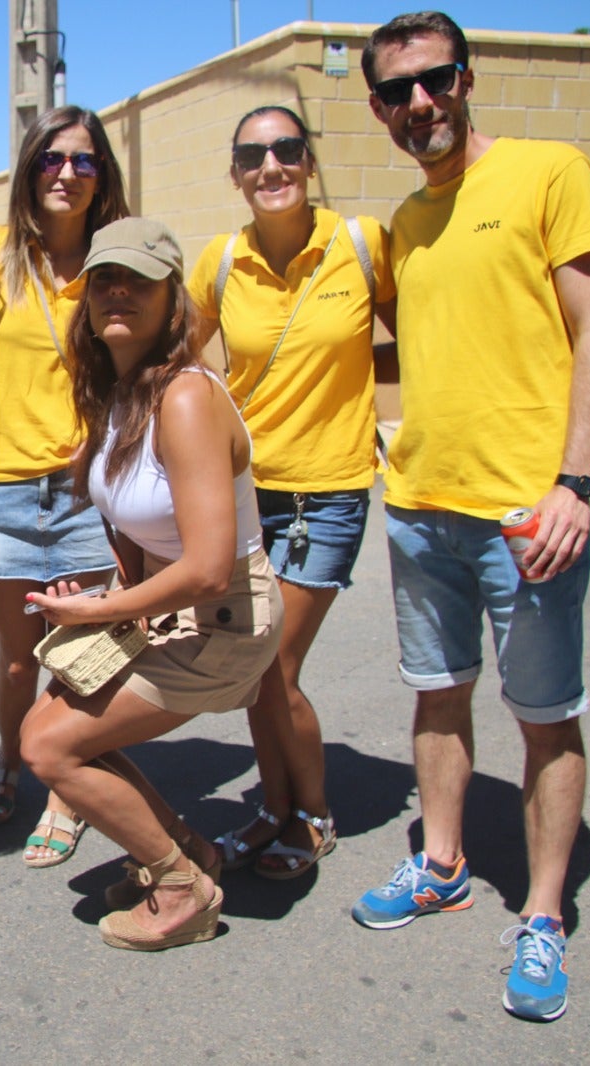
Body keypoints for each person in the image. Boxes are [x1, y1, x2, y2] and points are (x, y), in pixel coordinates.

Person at [351, 12, 590, 1023]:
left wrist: (574, 484)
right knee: (437, 695)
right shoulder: (404, 224)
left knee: (545, 714)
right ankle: (443, 861)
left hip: (525, 513)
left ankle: (543, 914)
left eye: (434, 80)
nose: (418, 104)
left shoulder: (550, 171)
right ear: (376, 106)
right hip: (421, 506)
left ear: (466, 78)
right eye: (395, 92)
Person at [17, 217, 283, 950]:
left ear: (174, 302)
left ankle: (179, 888)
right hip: (171, 611)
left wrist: (103, 607)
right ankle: (192, 853)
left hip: (223, 620)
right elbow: (128, 520)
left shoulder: (187, 397)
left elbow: (204, 566)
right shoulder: (119, 390)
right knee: (45, 732)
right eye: (105, 279)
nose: (119, 293)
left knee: (52, 752)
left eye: (140, 280)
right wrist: (110, 609)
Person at [185, 106, 397, 879]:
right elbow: (182, 357)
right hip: (247, 492)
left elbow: (423, 337)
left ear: (308, 161)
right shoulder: (220, 260)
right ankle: (272, 808)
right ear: (235, 172)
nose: (271, 166)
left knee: (274, 665)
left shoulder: (363, 246)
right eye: (253, 155)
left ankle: (311, 814)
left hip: (328, 492)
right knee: (249, 664)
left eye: (286, 150)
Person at [0, 106, 131, 869]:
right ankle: (8, 755)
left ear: (103, 178)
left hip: (87, 494)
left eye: (85, 161)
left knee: (82, 653)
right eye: (51, 160)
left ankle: (67, 790)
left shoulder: (117, 264)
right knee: (15, 658)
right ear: (30, 171)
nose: (67, 173)